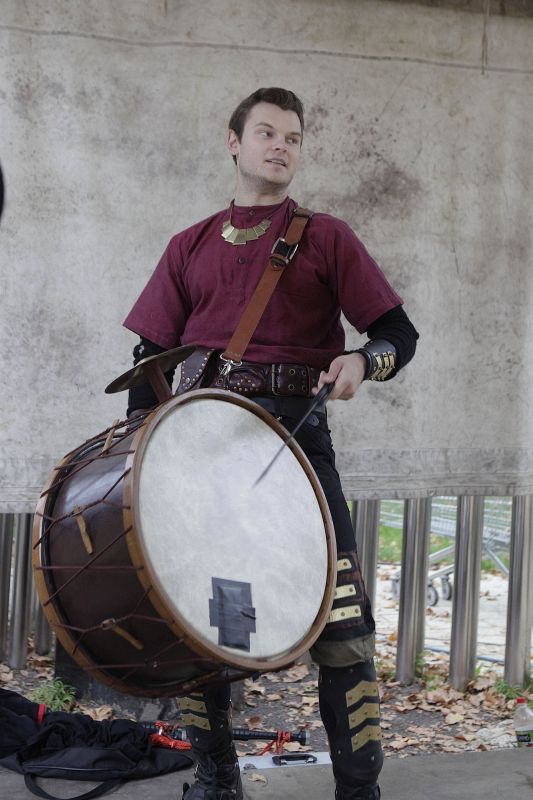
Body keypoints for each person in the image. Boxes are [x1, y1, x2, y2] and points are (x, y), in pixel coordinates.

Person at [123, 87, 418, 800]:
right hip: (201, 453)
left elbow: (396, 334)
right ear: (234, 142)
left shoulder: (327, 237)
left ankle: (358, 790)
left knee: (341, 623)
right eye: (266, 133)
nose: (280, 146)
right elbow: (148, 359)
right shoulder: (188, 245)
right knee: (204, 620)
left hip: (296, 443)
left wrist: (363, 360)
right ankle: (216, 780)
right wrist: (137, 454)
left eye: (292, 137)